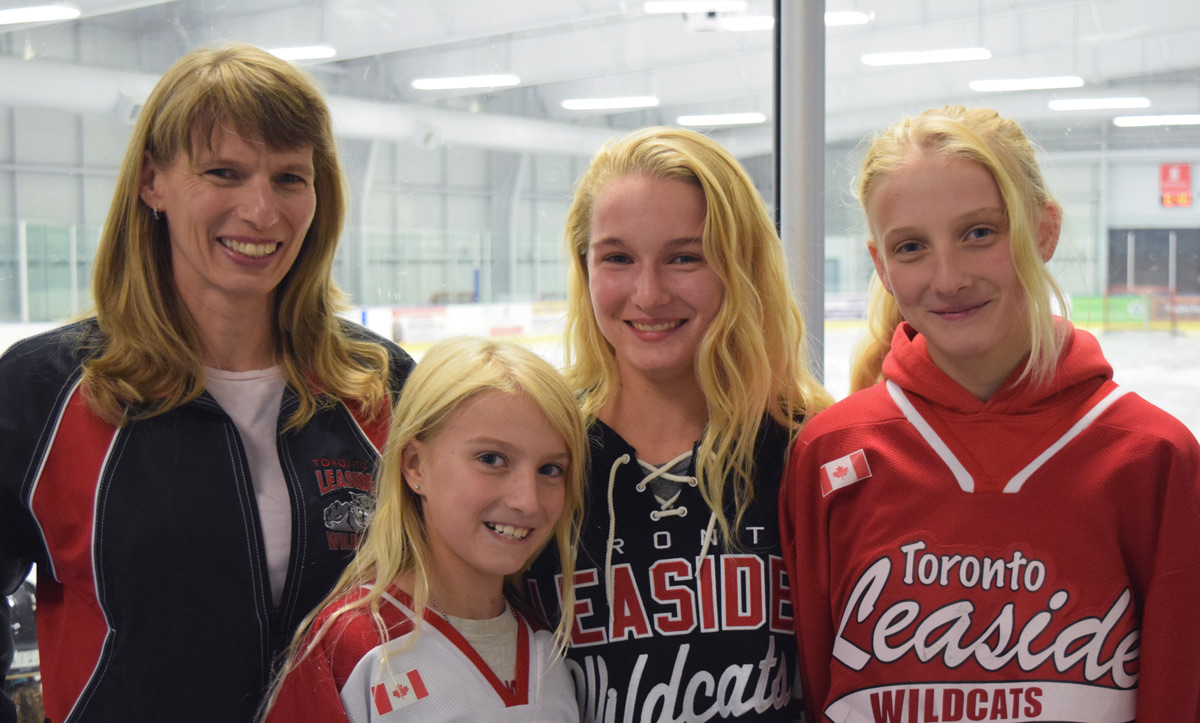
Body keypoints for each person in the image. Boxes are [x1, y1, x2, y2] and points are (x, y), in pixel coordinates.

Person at [0, 43, 413, 723]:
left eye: (289, 178)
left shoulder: (382, 385)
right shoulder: (45, 392)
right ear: (152, 182)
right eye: (225, 172)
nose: (261, 210)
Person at [781, 105, 1200, 722]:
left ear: (1045, 230)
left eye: (980, 233)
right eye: (912, 247)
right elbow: (819, 693)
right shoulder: (832, 452)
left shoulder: (1151, 456)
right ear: (881, 265)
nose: (947, 278)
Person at [526, 126, 832, 722]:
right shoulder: (537, 449)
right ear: (584, 266)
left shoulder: (811, 449)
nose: (648, 293)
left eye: (684, 257)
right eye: (617, 258)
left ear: (740, 266)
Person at [260, 336, 586, 722]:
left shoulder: (551, 646)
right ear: (415, 465)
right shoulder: (356, 647)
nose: (527, 501)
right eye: (492, 459)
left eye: (550, 469)